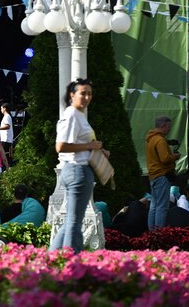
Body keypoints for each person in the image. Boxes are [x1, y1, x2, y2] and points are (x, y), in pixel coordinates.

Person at [49, 78, 107, 254]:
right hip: (77, 171)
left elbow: (77, 145)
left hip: (76, 170)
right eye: (83, 93)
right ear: (72, 95)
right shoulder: (72, 115)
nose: (87, 97)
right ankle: (71, 262)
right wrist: (90, 146)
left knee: (71, 222)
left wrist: (97, 150)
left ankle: (52, 258)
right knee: (74, 223)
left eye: (90, 94)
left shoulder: (77, 115)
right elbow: (60, 146)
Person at [145, 115, 180, 231]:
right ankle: (159, 234)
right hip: (162, 176)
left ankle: (152, 233)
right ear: (163, 126)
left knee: (153, 206)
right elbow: (165, 159)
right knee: (162, 207)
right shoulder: (160, 140)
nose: (169, 129)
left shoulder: (151, 139)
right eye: (168, 126)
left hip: (153, 175)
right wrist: (175, 156)